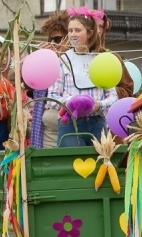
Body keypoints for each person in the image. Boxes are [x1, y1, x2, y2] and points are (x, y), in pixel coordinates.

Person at [48, 7, 117, 147]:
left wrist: (99, 105)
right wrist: (72, 102)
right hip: (70, 125)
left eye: (77, 30)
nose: (73, 34)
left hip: (97, 123)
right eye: (70, 30)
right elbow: (51, 97)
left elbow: (113, 97)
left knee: (100, 167)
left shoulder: (101, 60)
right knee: (74, 166)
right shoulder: (63, 60)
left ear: (90, 33)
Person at [29, 11, 69, 148]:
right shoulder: (47, 63)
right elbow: (30, 86)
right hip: (48, 134)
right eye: (50, 40)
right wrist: (40, 62)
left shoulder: (78, 63)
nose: (53, 43)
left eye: (57, 39)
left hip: (72, 131)